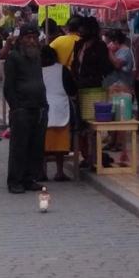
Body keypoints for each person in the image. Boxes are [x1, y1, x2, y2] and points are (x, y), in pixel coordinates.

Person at [4, 24, 48, 193]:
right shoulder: (13, 57)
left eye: (34, 38)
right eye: (28, 38)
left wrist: (44, 105)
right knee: (19, 147)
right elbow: (9, 87)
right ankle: (15, 181)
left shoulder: (37, 57)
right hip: (21, 109)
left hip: (39, 108)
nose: (31, 41)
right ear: (21, 39)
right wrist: (16, 108)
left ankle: (30, 178)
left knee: (36, 147)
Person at [71, 16, 114, 166]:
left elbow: (107, 68)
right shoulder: (79, 45)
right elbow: (75, 65)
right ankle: (86, 155)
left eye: (83, 28)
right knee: (81, 124)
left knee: (93, 124)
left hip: (94, 88)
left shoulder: (100, 46)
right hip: (79, 87)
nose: (81, 31)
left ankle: (95, 155)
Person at [40, 46, 77, 182]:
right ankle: (60, 172)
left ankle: (42, 171)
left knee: (42, 143)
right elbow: (72, 89)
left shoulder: (36, 71)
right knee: (60, 144)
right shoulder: (62, 69)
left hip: (43, 109)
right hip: (61, 108)